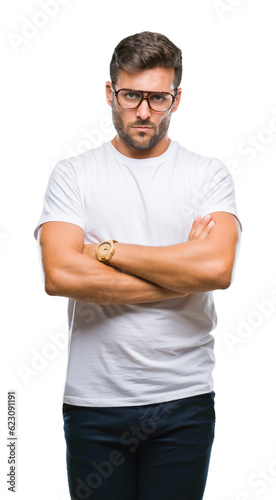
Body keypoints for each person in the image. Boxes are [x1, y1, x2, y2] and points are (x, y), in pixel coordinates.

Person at [35, 31, 242, 500]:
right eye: (131, 95)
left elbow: (216, 269)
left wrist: (104, 251)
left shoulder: (206, 174)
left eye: (158, 98)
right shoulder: (74, 175)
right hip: (94, 401)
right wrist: (176, 277)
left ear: (177, 98)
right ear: (111, 92)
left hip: (183, 399)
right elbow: (59, 274)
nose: (144, 111)